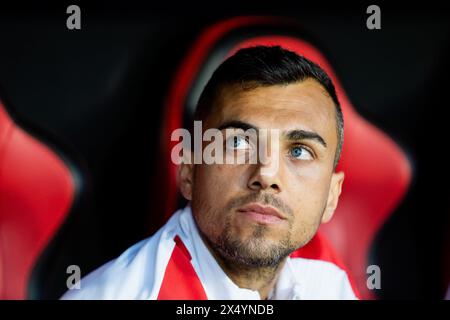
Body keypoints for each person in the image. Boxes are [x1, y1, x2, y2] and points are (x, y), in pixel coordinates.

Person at [61, 45, 357, 300]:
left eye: (299, 151)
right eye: (238, 142)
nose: (266, 175)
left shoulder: (328, 276)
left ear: (332, 195)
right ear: (188, 171)